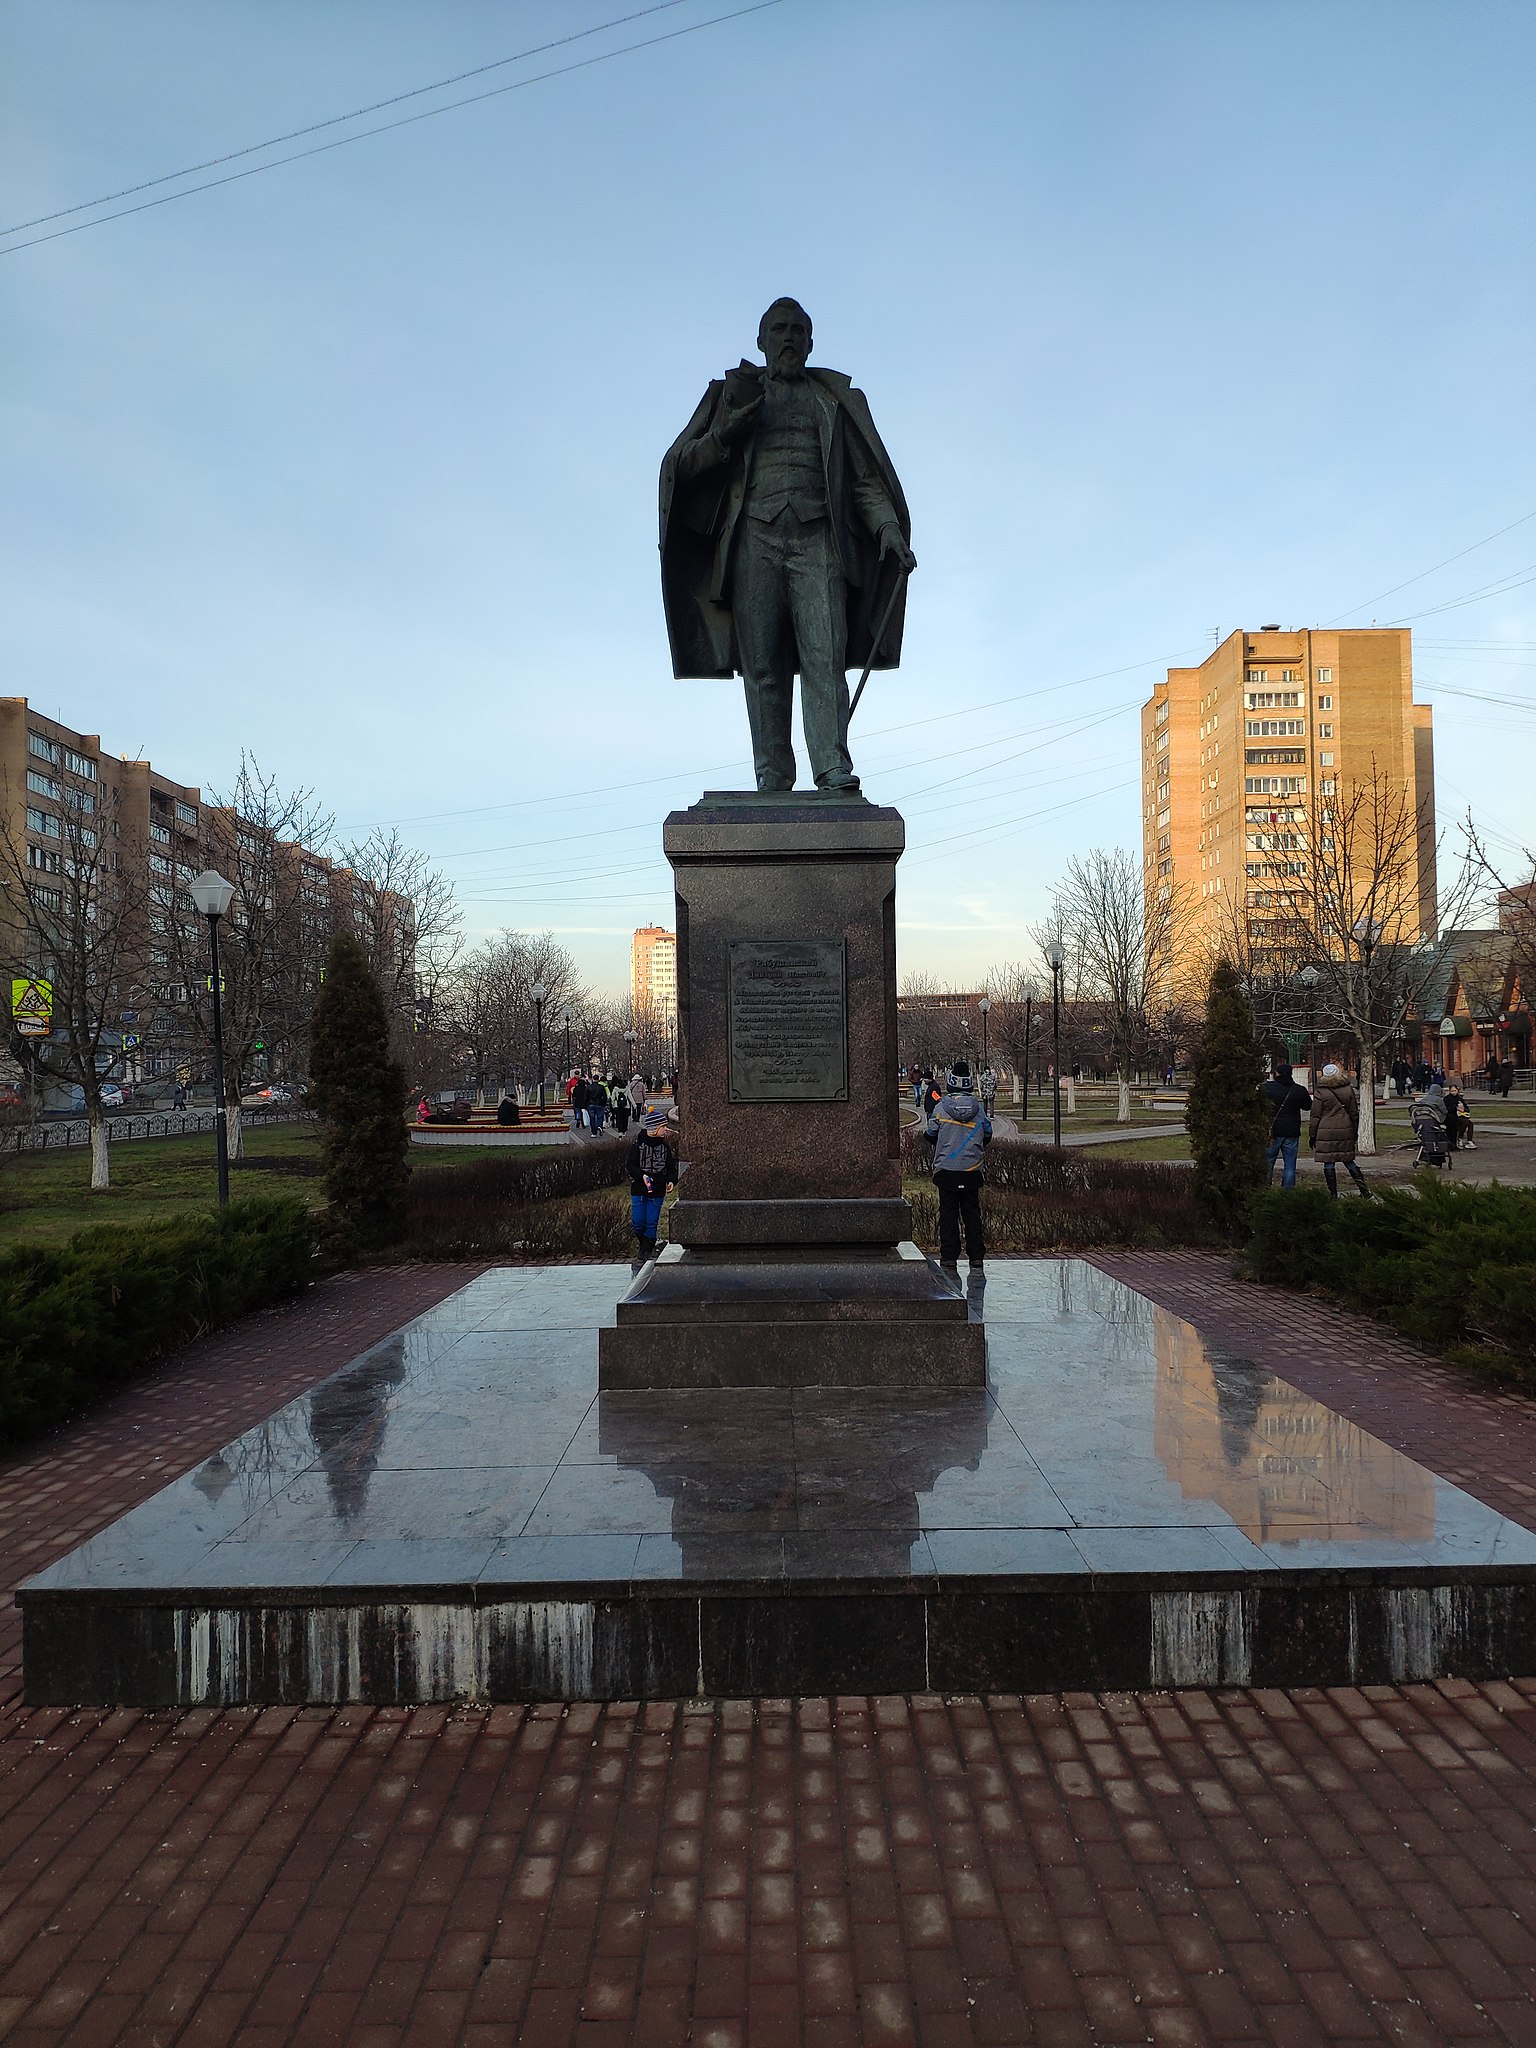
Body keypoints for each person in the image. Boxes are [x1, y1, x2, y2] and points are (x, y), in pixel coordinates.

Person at [660, 297, 915, 794]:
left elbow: (864, 482)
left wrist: (887, 528)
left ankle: (832, 767)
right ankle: (773, 773)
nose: (789, 338)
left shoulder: (832, 403)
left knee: (825, 656)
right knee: (763, 667)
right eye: (779, 330)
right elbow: (680, 467)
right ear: (761, 341)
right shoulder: (731, 396)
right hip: (754, 539)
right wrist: (725, 436)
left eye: (798, 330)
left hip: (819, 540)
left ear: (811, 341)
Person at [923, 1057, 992, 1274]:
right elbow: (988, 1134)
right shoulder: (978, 1109)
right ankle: (976, 1257)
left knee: (948, 1214)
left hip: (946, 1170)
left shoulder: (941, 1108)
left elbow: (930, 1133)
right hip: (971, 1170)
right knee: (972, 1213)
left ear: (951, 1083)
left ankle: (949, 1257)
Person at [1309, 1062, 1371, 1197]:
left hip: (1326, 1131)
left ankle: (1333, 1195)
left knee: (1329, 1162)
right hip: (1345, 1128)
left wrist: (1312, 1135)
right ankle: (1364, 1190)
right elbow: (1354, 1113)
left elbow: (1315, 1115)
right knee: (1348, 1160)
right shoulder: (1348, 1089)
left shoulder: (1321, 1091)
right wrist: (1354, 1132)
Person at [626, 1110, 678, 1262]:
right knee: (638, 1221)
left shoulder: (665, 1147)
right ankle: (643, 1243)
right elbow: (631, 1165)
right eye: (663, 1126)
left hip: (657, 1190)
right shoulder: (638, 1145)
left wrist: (671, 1180)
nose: (666, 1129)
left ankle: (647, 1248)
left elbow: (671, 1167)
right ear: (654, 1128)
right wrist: (641, 1176)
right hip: (639, 1189)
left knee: (652, 1221)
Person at [1260, 1060, 1312, 1190]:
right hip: (1291, 1131)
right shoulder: (1299, 1090)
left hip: (1272, 1131)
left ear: (1276, 1073)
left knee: (1268, 1162)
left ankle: (1264, 1189)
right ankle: (1287, 1192)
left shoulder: (1267, 1088)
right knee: (1290, 1164)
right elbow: (1307, 1107)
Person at [1411, 1083, 1450, 1169]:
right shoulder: (1439, 1100)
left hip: (1420, 1123)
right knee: (1438, 1136)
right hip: (1432, 1121)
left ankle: (1424, 1157)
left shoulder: (1424, 1099)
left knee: (1425, 1138)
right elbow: (1445, 1111)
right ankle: (1437, 1158)